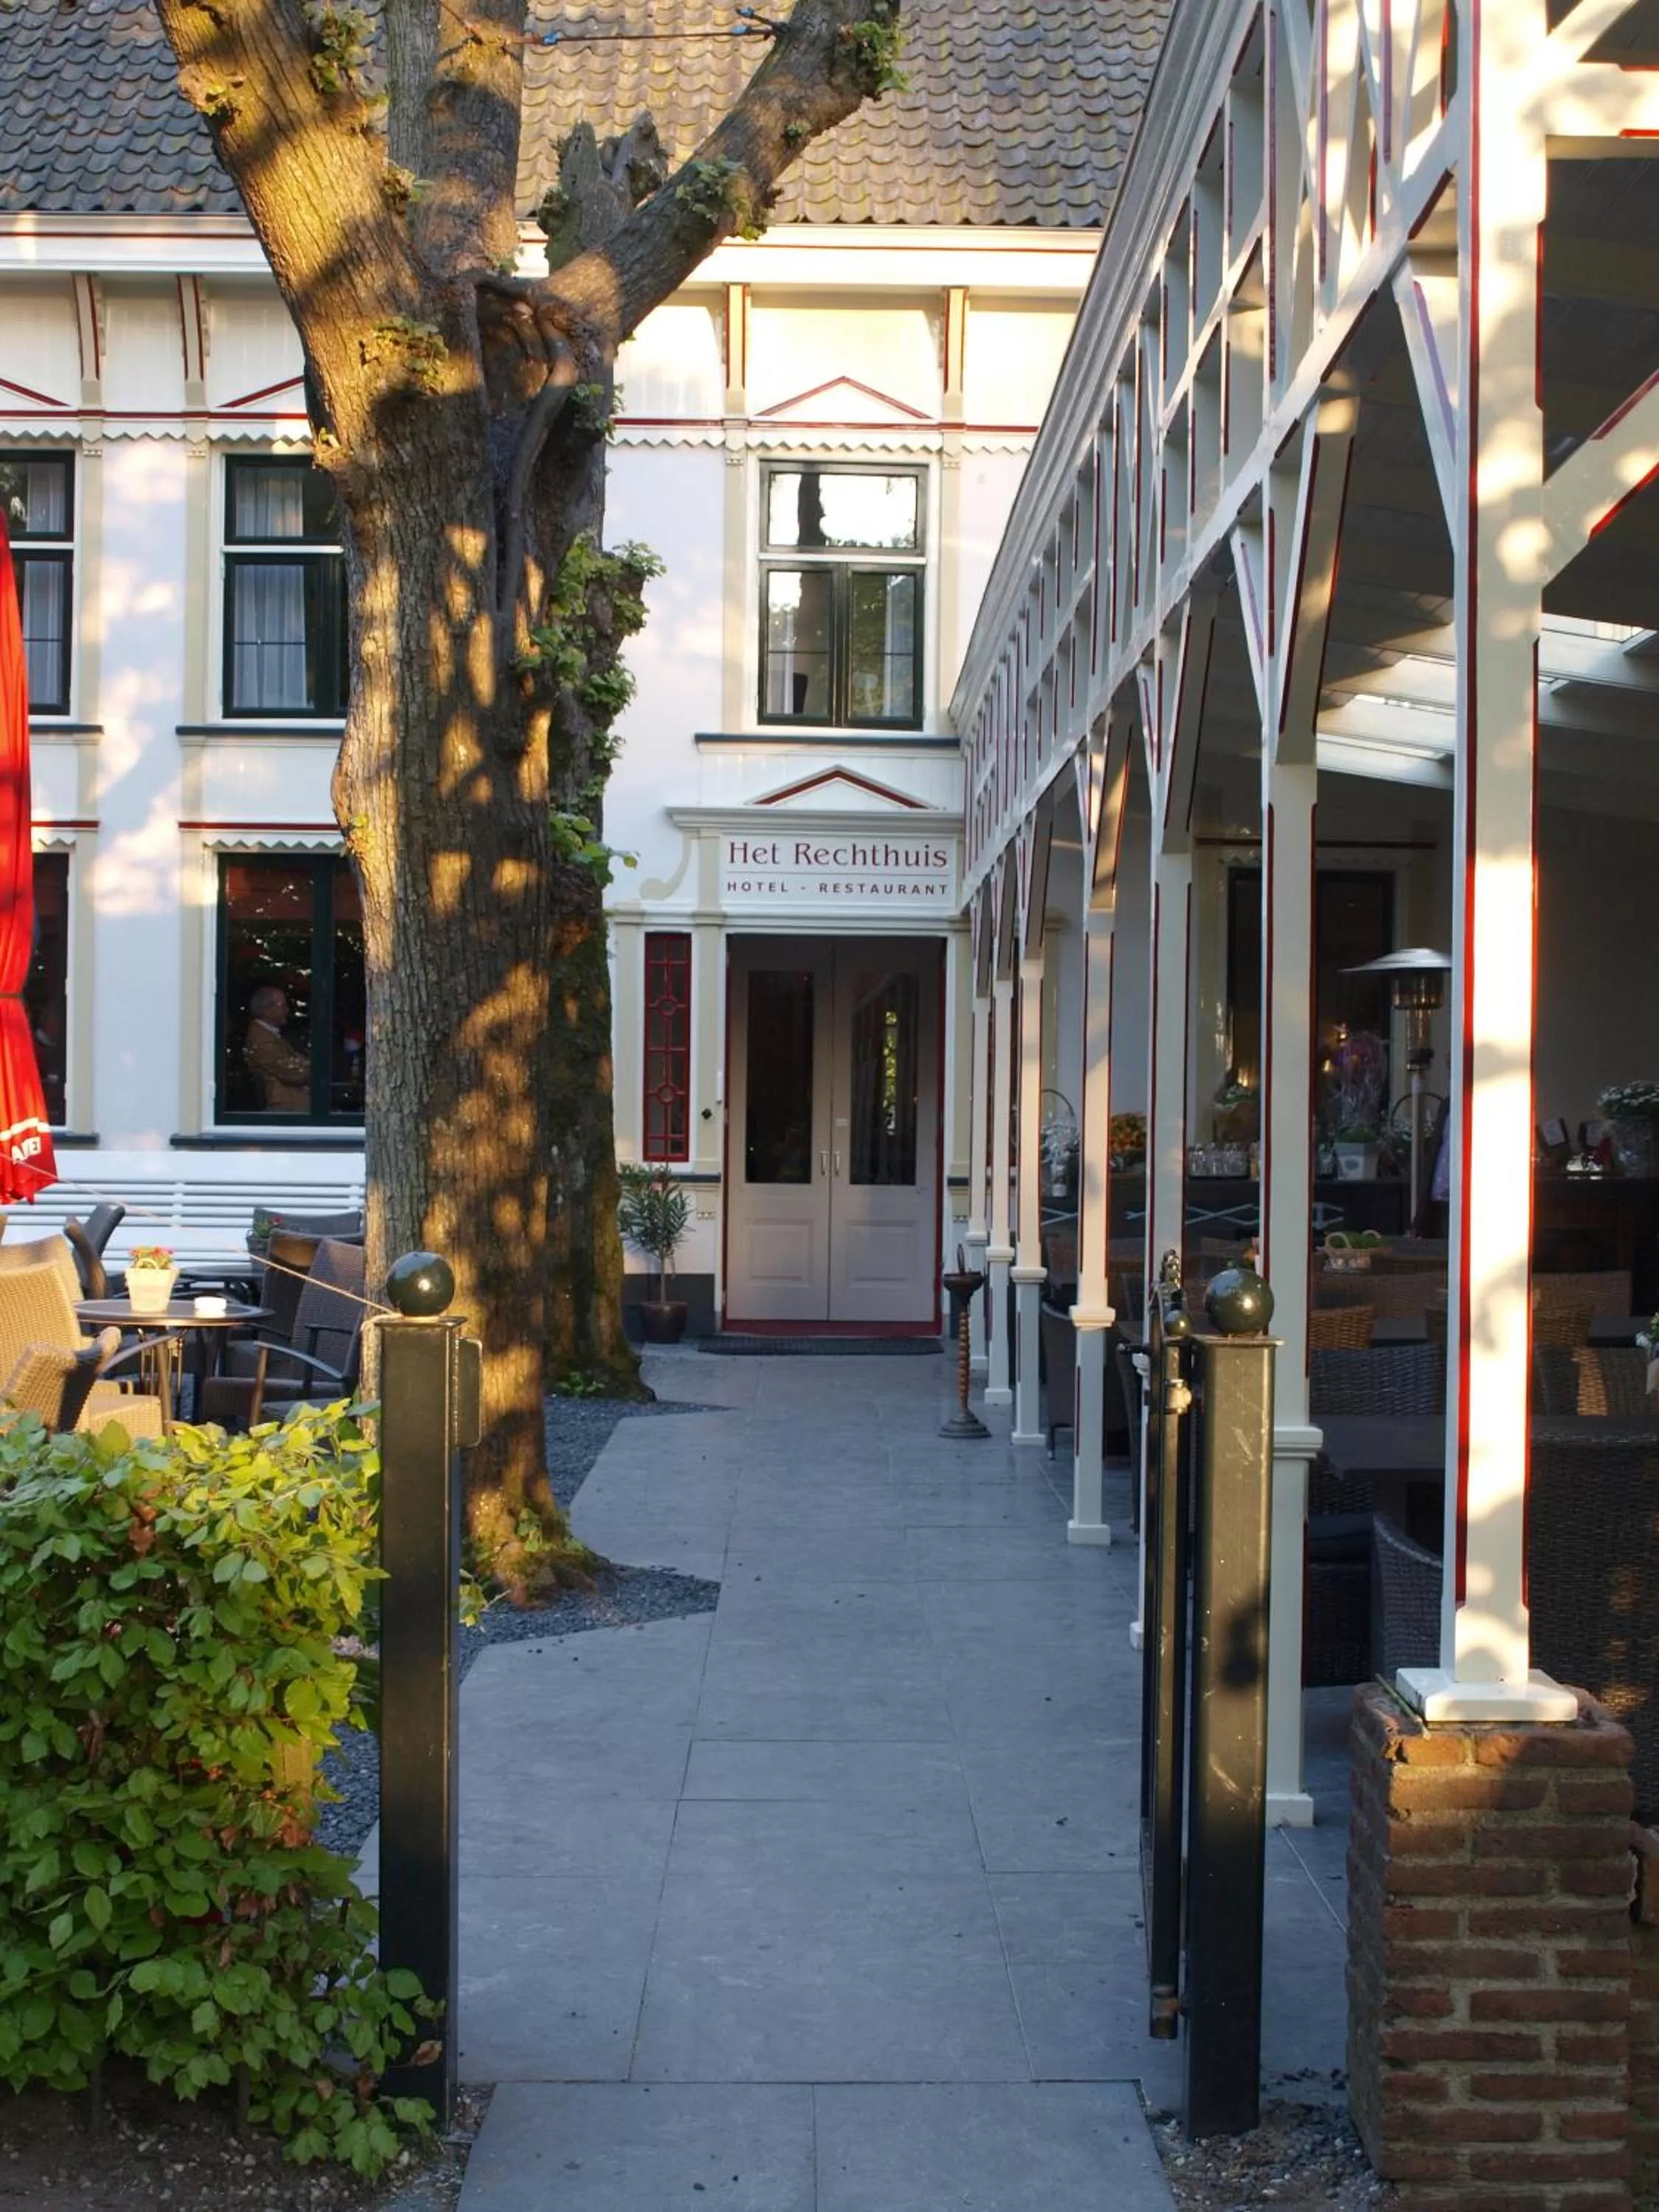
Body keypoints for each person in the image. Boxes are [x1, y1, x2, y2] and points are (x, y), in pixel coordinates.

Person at [243, 984, 311, 1113]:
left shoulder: (271, 1036)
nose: (287, 1011)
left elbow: (296, 1063)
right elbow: (296, 1073)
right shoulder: (262, 1041)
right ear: (267, 1010)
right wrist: (310, 1065)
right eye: (283, 1006)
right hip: (284, 1111)